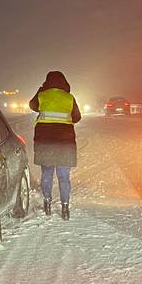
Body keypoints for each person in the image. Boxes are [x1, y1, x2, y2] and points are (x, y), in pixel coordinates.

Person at [28, 70, 82, 220]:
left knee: (47, 173)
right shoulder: (69, 98)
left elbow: (32, 106)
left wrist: (41, 89)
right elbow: (77, 117)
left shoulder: (42, 95)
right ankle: (65, 208)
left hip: (45, 142)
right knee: (63, 176)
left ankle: (47, 203)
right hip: (65, 143)